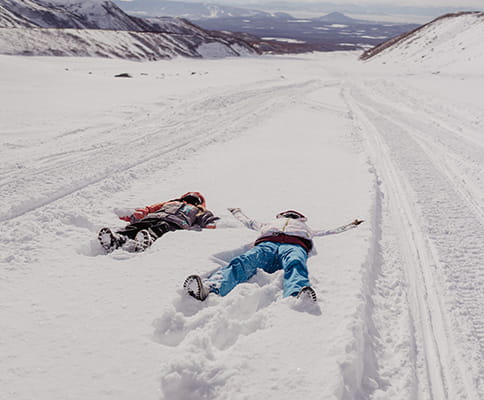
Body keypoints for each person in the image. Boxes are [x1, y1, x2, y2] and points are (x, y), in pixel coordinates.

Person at [184, 208, 363, 302]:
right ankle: (212, 287)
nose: (290, 215)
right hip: (268, 244)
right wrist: (236, 211)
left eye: (294, 215)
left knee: (296, 263)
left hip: (294, 245)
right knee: (244, 260)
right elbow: (249, 222)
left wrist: (351, 225)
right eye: (288, 214)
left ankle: (297, 294)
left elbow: (329, 231)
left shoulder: (305, 227)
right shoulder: (270, 223)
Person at [98, 192, 219, 252]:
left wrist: (215, 225)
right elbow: (149, 209)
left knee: (162, 227)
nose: (190, 200)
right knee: (139, 225)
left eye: (194, 199)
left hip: (176, 222)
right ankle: (119, 239)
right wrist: (135, 215)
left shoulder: (198, 210)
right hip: (155, 216)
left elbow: (207, 219)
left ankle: (147, 238)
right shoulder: (170, 203)